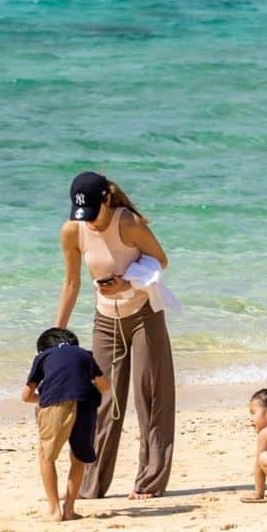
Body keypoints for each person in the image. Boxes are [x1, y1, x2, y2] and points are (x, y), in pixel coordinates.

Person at [56, 171, 175, 499]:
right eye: (84, 216)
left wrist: (128, 282)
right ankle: (92, 484)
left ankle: (150, 482)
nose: (90, 222)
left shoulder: (128, 223)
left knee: (149, 395)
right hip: (106, 320)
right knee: (102, 399)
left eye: (94, 213)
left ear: (107, 200)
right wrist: (57, 334)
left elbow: (160, 261)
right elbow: (71, 283)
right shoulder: (73, 231)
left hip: (144, 315)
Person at [21, 327, 110, 522]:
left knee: (46, 455)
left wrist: (44, 397)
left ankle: (54, 510)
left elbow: (26, 396)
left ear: (43, 348)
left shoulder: (44, 357)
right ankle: (69, 509)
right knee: (78, 457)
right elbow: (105, 386)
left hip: (56, 402)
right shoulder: (85, 355)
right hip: (86, 401)